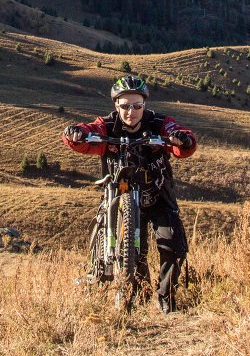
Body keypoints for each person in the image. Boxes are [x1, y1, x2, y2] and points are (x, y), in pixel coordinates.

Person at [62, 74, 198, 313]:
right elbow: (86, 134)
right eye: (125, 106)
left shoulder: (159, 123)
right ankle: (137, 295)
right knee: (135, 252)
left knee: (173, 246)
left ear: (144, 105)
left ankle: (165, 298)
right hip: (122, 195)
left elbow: (182, 141)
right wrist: (76, 132)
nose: (131, 112)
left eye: (137, 106)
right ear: (116, 105)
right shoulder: (107, 125)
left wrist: (182, 139)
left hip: (157, 194)